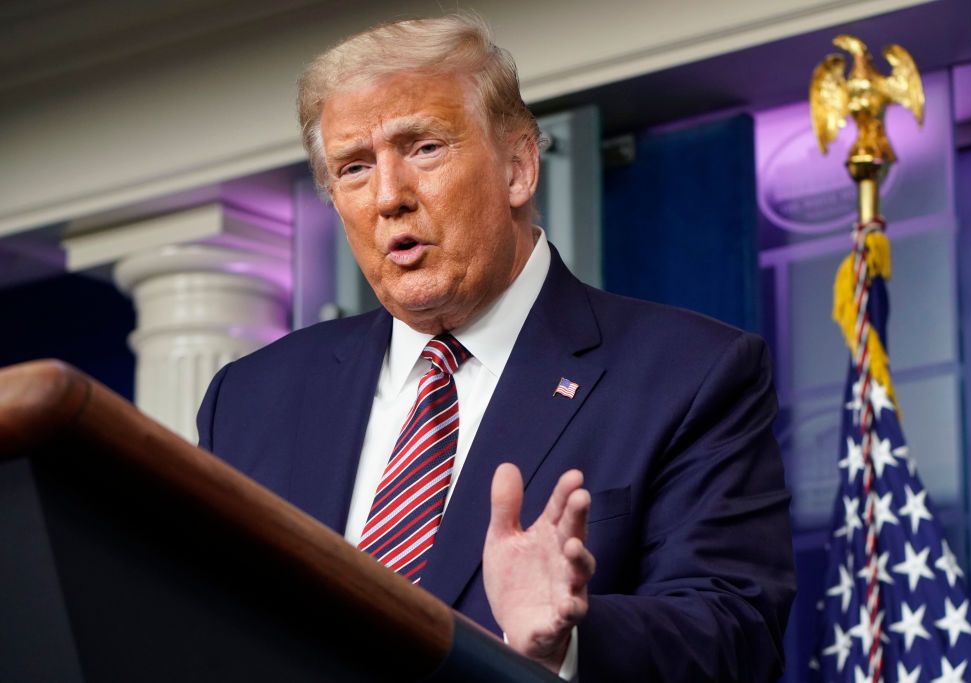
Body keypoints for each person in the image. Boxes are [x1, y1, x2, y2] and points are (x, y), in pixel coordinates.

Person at [198, 13, 795, 681]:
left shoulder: (691, 375)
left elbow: (734, 635)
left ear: (517, 167)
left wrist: (564, 639)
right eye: (355, 167)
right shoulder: (249, 400)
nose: (389, 196)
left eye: (423, 147)